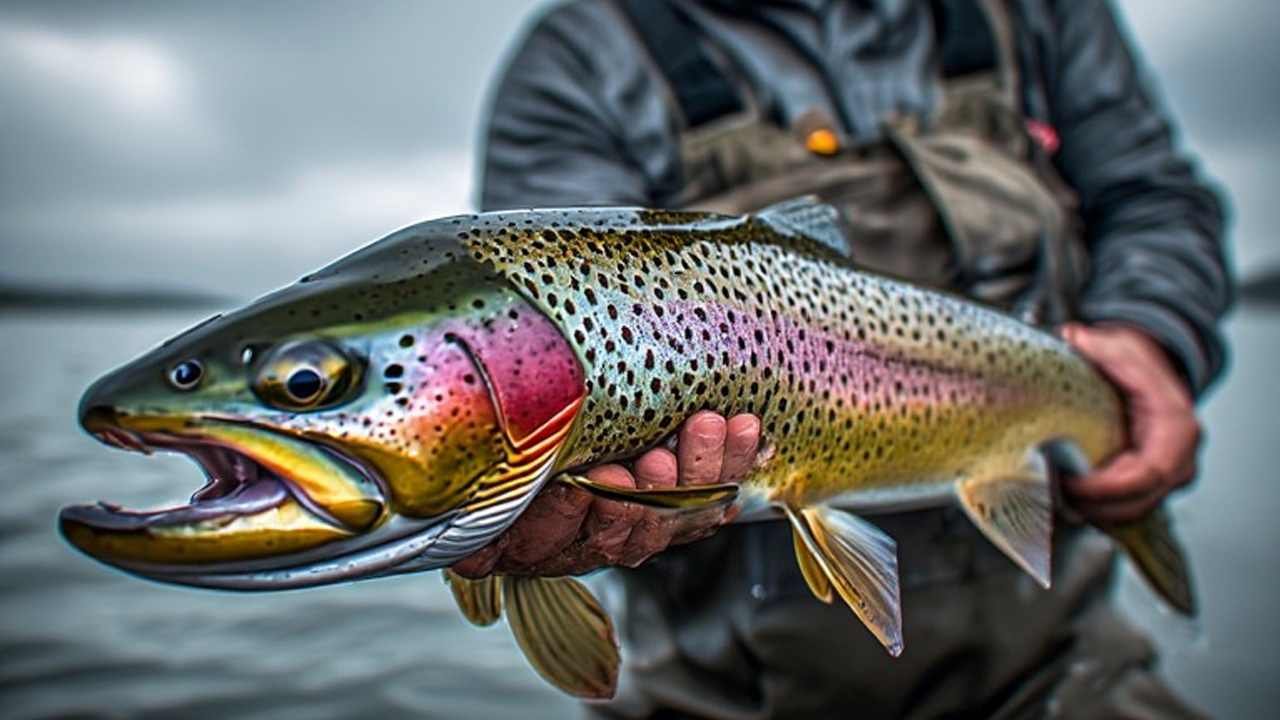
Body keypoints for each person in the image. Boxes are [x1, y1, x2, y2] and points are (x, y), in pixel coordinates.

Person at [454, 1, 1232, 717]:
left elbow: (1154, 196)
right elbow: (549, 313)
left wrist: (1152, 335)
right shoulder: (582, 56)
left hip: (1066, 673)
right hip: (724, 696)